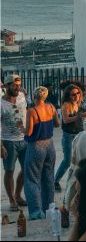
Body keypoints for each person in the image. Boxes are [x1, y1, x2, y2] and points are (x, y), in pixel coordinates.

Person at [22, 86, 59, 220]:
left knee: (32, 179)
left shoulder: (31, 111)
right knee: (48, 177)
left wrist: (20, 127)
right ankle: (49, 208)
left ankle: (36, 212)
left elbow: (29, 132)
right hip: (50, 145)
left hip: (36, 146)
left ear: (33, 96)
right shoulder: (51, 107)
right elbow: (57, 124)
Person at [2, 74, 28, 213]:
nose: (18, 87)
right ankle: (11, 199)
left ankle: (18, 195)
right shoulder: (1, 104)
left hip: (24, 139)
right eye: (15, 85)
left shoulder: (22, 96)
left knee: (26, 169)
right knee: (9, 171)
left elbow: (28, 112)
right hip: (8, 141)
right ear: (6, 86)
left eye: (19, 84)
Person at [55, 84, 86, 192]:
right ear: (68, 95)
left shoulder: (78, 104)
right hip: (69, 135)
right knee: (67, 161)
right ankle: (56, 181)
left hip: (79, 134)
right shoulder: (66, 105)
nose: (76, 96)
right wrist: (80, 116)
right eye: (73, 94)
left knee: (81, 159)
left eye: (78, 93)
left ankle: (78, 181)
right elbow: (65, 120)